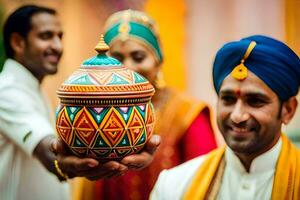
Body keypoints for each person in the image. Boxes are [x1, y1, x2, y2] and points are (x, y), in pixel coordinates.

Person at [0, 5, 160, 200]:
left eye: (60, 36)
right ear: (17, 42)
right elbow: (46, 147)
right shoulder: (6, 90)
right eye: (46, 36)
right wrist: (73, 160)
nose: (58, 46)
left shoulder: (33, 88)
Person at [75, 9, 217, 200]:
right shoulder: (95, 113)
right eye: (117, 59)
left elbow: (207, 183)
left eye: (138, 57)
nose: (128, 68)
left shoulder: (186, 114)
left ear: (158, 60)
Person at [150, 35, 300, 200]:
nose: (237, 116)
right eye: (228, 99)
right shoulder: (174, 186)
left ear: (288, 110)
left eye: (255, 101)